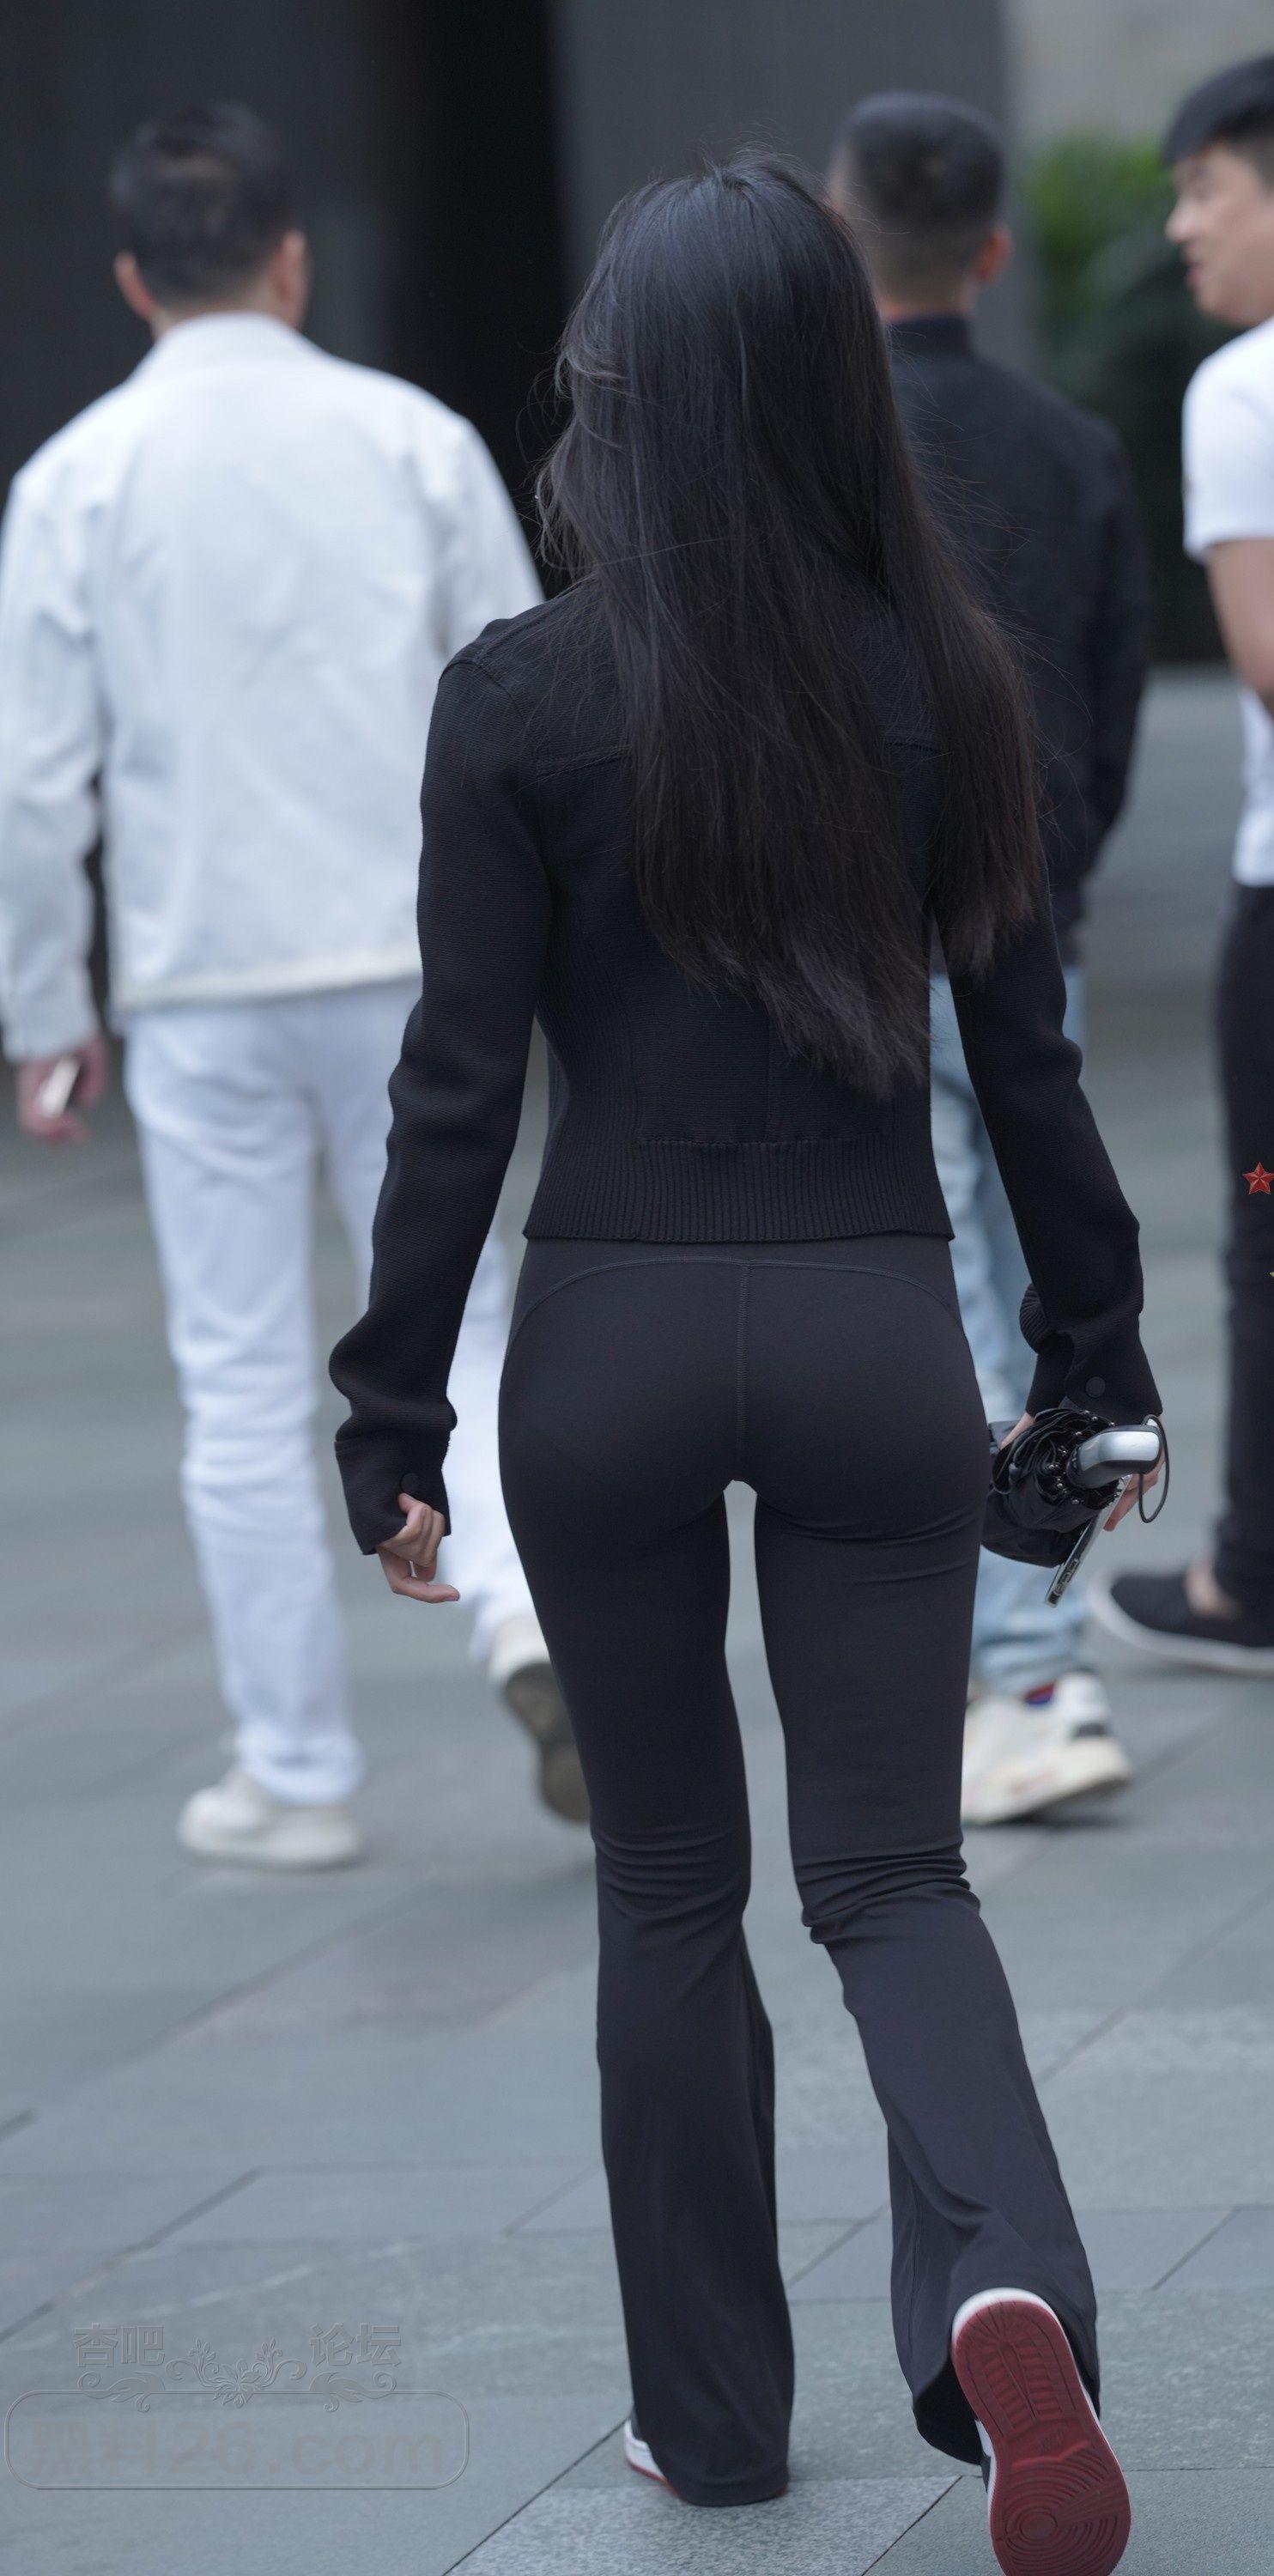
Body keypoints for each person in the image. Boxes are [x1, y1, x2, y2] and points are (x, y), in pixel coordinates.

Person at [330, 155, 1159, 2568]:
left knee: (667, 1891)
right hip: (865, 1326)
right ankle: (1001, 2288)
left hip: (601, 1338)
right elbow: (1028, 1070)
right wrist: (1092, 1358)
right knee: (892, 1874)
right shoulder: (943, 684)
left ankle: (707, 2424)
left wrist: (392, 1415)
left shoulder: (517, 697)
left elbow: (453, 1094)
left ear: (614, 393)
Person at [0, 101, 588, 1867]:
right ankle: (529, 1624)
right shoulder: (410, 439)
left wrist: (45, 1013)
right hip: (420, 956)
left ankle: (297, 1772)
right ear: (292, 259)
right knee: (470, 1320)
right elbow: (528, 691)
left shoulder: (77, 478)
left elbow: (33, 781)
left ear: (132, 280)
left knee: (240, 1376)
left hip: (200, 975)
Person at [829, 94, 1154, 1823]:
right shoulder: (1066, 444)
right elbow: (1109, 698)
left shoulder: (829, 446)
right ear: (997, 251)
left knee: (951, 1292)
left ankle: (1022, 1668)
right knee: (1056, 1289)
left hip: (877, 941)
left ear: (839, 236)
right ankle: (1043, 1656)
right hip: (1033, 921)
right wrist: (1061, 876)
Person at [1089, 56, 1274, 1678]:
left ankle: (1254, 1575)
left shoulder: (1245, 389)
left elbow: (1265, 658)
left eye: (1207, 189)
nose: (1183, 226)